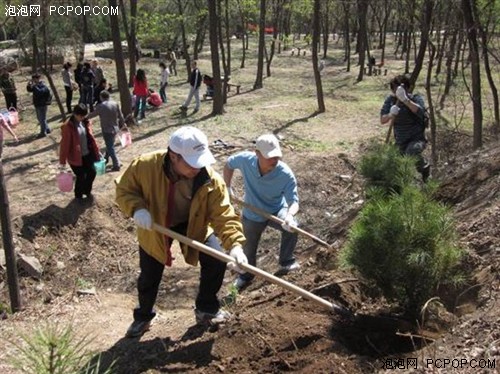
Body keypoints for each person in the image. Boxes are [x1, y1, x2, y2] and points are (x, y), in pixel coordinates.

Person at [115, 126, 248, 338]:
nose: (198, 167)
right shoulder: (146, 166)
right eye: (191, 162)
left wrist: (235, 245)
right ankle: (143, 316)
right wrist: (137, 208)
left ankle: (207, 308)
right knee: (149, 274)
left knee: (216, 259)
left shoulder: (210, 180)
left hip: (194, 223)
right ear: (173, 156)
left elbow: (223, 214)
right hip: (155, 224)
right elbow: (124, 189)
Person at [223, 134, 300, 291]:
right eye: (270, 157)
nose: (274, 161)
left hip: (277, 210)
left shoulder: (285, 174)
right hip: (252, 212)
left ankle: (286, 262)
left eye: (277, 157)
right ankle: (246, 275)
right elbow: (228, 164)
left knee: (293, 228)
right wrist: (228, 187)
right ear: (257, 153)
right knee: (248, 248)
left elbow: (294, 202)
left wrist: (290, 216)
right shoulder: (246, 160)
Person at [380, 74, 430, 182]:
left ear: (406, 89)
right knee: (395, 164)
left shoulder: (416, 98)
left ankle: (425, 169)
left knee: (411, 152)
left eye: (398, 89)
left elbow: (420, 112)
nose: (395, 92)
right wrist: (390, 114)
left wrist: (405, 100)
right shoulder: (390, 100)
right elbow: (382, 120)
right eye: (394, 90)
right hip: (400, 140)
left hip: (416, 139)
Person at [59, 104, 101, 201]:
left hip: (86, 154)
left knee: (92, 172)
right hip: (75, 157)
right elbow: (64, 145)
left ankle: (87, 191)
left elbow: (91, 138)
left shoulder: (85, 123)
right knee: (81, 176)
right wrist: (62, 162)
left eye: (84, 116)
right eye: (80, 116)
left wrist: (97, 150)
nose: (82, 118)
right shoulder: (68, 127)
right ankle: (78, 196)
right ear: (75, 114)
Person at [87, 90, 126, 172]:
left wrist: (84, 117)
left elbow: (93, 114)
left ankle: (116, 164)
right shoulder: (115, 104)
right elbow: (121, 116)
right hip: (115, 128)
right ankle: (106, 159)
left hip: (107, 130)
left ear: (101, 97)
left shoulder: (101, 106)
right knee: (110, 145)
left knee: (110, 147)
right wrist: (123, 124)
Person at [26, 73, 52, 138]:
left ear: (37, 78)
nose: (33, 80)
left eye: (34, 79)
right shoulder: (36, 85)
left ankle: (43, 133)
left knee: (42, 119)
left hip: (42, 104)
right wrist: (29, 85)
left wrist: (34, 86)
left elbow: (40, 92)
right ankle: (47, 129)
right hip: (38, 104)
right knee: (41, 118)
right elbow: (30, 90)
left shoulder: (43, 84)